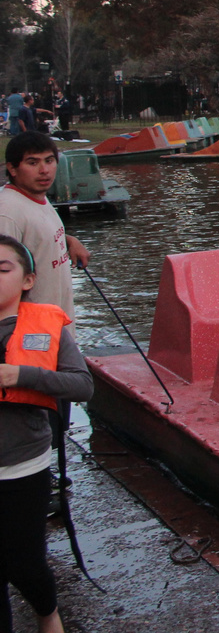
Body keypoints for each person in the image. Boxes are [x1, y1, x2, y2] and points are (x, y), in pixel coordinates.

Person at [0, 233, 89, 633]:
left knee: (25, 562)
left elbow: (82, 386)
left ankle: (47, 613)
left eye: (3, 269)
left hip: (22, 467)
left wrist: (23, 375)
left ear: (27, 280)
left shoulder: (47, 328)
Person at [0, 134, 88, 318]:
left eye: (49, 161)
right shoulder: (7, 213)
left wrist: (68, 241)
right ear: (12, 169)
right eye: (32, 163)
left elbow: (34, 240)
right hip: (30, 336)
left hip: (55, 328)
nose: (44, 170)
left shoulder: (37, 198)